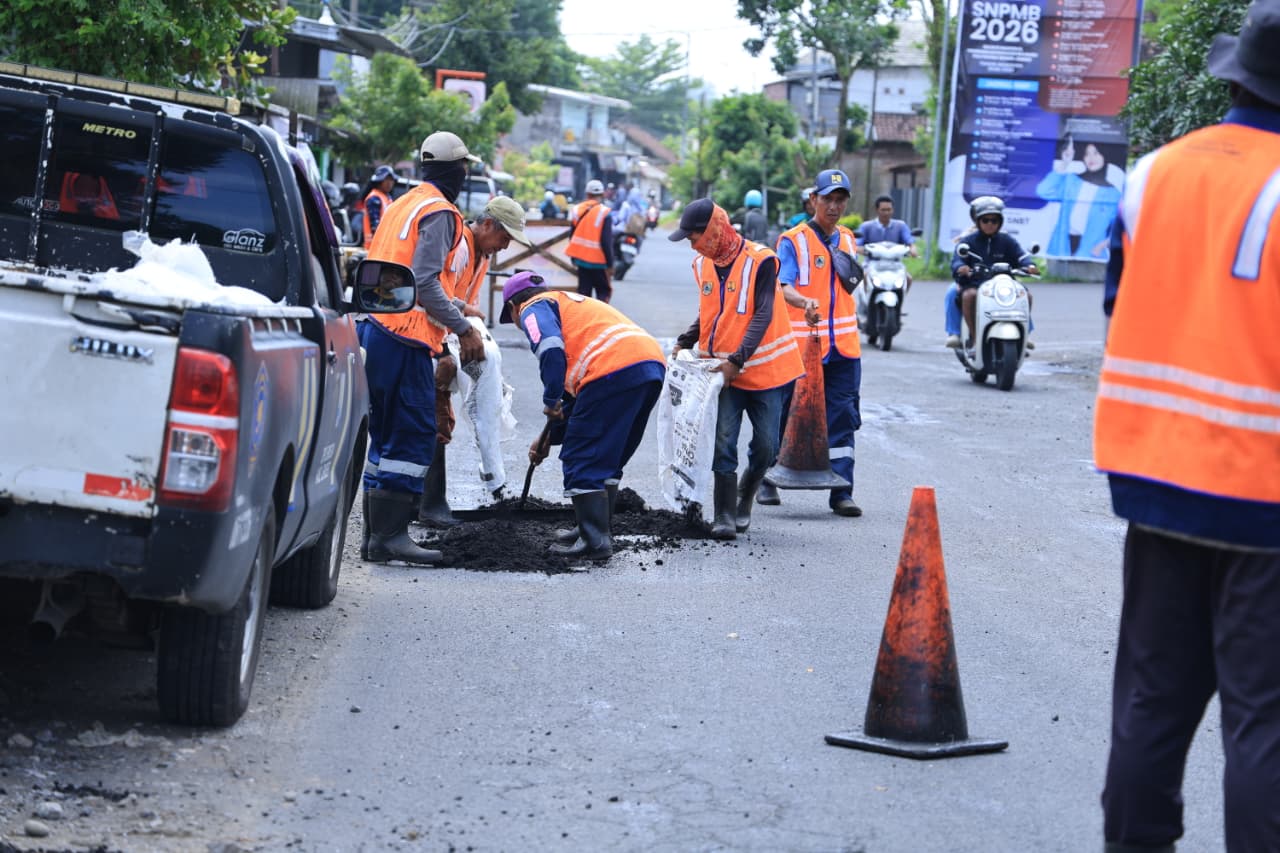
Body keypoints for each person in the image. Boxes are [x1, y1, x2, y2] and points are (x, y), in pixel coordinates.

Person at [1094, 4, 1280, 849]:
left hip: (1156, 481)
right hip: (1266, 497)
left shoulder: (1155, 173)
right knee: (1264, 728)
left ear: (1235, 75)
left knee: (1150, 709)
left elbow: (1117, 308)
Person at [359, 131, 487, 566]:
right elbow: (425, 282)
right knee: (413, 433)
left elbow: (408, 279)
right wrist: (463, 328)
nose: (466, 174)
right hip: (406, 338)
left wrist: (456, 307)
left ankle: (374, 537)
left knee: (383, 436)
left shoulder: (402, 205)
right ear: (456, 170)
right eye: (464, 167)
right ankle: (391, 536)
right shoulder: (441, 213)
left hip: (377, 329)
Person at [500, 271, 665, 560]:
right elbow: (576, 406)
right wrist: (547, 438)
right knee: (608, 454)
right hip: (647, 363)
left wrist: (550, 398)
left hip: (612, 368)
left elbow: (550, 349)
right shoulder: (568, 304)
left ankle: (595, 540)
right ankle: (595, 528)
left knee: (582, 454)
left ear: (513, 305)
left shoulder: (532, 309)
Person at [669, 198, 804, 539]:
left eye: (694, 237)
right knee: (724, 441)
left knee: (767, 447)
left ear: (714, 230)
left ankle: (747, 492)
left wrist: (737, 360)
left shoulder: (761, 261)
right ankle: (725, 515)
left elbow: (763, 313)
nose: (692, 244)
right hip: (724, 374)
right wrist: (686, 339)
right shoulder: (702, 266)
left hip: (764, 371)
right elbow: (712, 312)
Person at [418, 195, 532, 527]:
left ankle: (423, 501)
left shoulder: (481, 252)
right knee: (433, 418)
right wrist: (443, 352)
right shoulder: (462, 247)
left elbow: (462, 305)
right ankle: (427, 504)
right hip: (425, 337)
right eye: (504, 237)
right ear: (486, 225)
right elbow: (432, 295)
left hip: (445, 335)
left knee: (442, 419)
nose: (505, 246)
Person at [769, 168, 864, 518]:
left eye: (840, 200)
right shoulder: (792, 240)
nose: (834, 206)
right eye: (828, 199)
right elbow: (784, 285)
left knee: (843, 417)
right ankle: (767, 476)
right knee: (785, 415)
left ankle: (841, 491)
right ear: (813, 200)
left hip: (844, 349)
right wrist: (803, 303)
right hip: (803, 347)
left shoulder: (849, 239)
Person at [945, 196, 1038, 350]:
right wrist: (961, 267)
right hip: (977, 283)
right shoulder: (968, 241)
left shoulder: (1007, 240)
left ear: (1000, 222)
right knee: (969, 296)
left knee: (1026, 295)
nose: (990, 224)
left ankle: (1024, 334)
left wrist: (1030, 265)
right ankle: (975, 340)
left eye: (994, 221)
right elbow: (957, 259)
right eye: (985, 220)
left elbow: (1022, 256)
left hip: (1003, 283)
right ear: (978, 221)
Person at [1036, 136, 1124, 260]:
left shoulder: (1113, 193)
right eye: (1087, 154)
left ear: (1105, 156)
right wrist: (1064, 164)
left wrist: (1103, 245)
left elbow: (1120, 226)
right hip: (1061, 245)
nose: (1091, 158)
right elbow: (1042, 191)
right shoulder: (1072, 180)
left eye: (1096, 153)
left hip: (1091, 252)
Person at [564, 179, 615, 302]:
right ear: (602, 195)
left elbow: (572, 236)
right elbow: (606, 241)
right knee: (603, 292)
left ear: (587, 194)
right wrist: (610, 263)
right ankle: (600, 318)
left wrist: (573, 257)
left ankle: (584, 320)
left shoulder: (576, 210)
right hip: (599, 262)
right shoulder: (605, 212)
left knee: (583, 295)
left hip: (581, 261)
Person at [858, 194, 918, 294]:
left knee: (908, 279)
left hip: (894, 263)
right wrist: (863, 250)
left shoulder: (900, 226)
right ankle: (866, 301)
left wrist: (913, 249)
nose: (886, 213)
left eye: (889, 209)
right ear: (877, 210)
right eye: (883, 210)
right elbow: (857, 244)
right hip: (872, 263)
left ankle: (899, 302)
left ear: (893, 210)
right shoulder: (866, 226)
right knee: (864, 276)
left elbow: (910, 241)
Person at [362, 164, 397, 248]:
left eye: (391, 180)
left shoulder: (387, 198)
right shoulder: (374, 198)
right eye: (387, 180)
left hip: (383, 245)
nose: (390, 183)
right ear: (379, 181)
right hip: (375, 246)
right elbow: (375, 226)